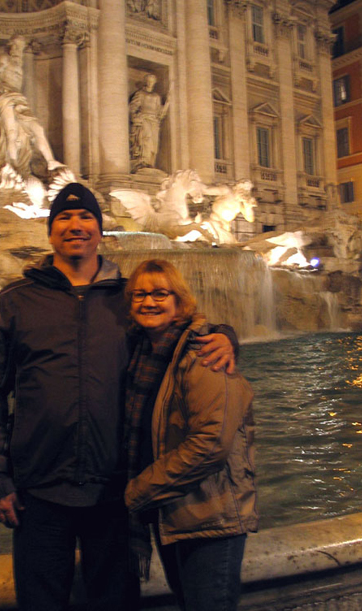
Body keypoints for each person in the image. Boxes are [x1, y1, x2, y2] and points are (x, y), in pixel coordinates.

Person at [0, 183, 238, 611]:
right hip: (37, 489)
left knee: (117, 602)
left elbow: (183, 331)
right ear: (50, 230)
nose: (75, 226)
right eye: (64, 218)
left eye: (85, 218)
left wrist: (226, 337)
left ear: (100, 231)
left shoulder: (131, 297)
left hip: (117, 489)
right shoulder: (15, 302)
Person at [124, 259, 258, 611]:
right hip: (172, 511)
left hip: (209, 515)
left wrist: (138, 491)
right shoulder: (141, 352)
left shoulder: (204, 354)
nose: (148, 302)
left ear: (180, 302)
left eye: (159, 294)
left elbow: (211, 444)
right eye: (139, 295)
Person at [0, 34, 63, 181]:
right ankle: (12, 165)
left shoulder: (19, 64)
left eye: (21, 47)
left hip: (18, 99)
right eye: (16, 46)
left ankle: (50, 161)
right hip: (3, 97)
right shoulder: (3, 58)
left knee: (37, 129)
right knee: (10, 132)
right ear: (10, 46)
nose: (18, 49)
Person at [129, 74, 169, 171]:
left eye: (152, 81)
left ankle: (150, 162)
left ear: (154, 83)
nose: (150, 83)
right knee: (145, 139)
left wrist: (168, 103)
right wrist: (135, 117)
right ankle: (142, 162)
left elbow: (160, 112)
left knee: (153, 143)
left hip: (154, 121)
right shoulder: (140, 94)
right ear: (145, 81)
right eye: (149, 81)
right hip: (144, 119)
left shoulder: (156, 97)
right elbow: (132, 107)